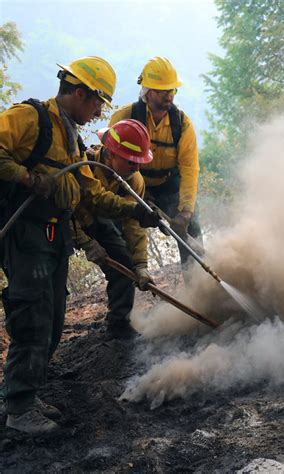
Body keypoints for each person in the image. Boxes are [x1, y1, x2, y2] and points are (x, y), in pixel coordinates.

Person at [0, 56, 163, 434]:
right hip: (27, 235)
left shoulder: (70, 135)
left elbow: (91, 196)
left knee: (53, 318)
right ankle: (20, 409)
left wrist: (137, 212)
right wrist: (28, 178)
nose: (98, 114)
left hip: (54, 236)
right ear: (79, 93)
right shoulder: (31, 119)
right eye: (96, 103)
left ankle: (28, 393)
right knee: (32, 318)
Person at [109, 56, 202, 280]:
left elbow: (189, 168)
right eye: (162, 91)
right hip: (131, 183)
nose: (169, 96)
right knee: (120, 241)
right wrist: (137, 198)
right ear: (148, 91)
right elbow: (109, 161)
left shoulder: (182, 123)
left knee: (193, 234)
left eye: (172, 90)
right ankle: (122, 306)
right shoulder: (125, 118)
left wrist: (185, 212)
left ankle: (201, 294)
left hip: (168, 184)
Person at [73, 119, 156, 340]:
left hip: (98, 222)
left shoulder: (134, 179)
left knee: (123, 265)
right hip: (65, 222)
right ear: (111, 154)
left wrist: (141, 265)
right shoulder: (84, 167)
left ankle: (119, 325)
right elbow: (66, 211)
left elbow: (133, 224)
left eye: (139, 162)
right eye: (131, 162)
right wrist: (85, 242)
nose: (137, 168)